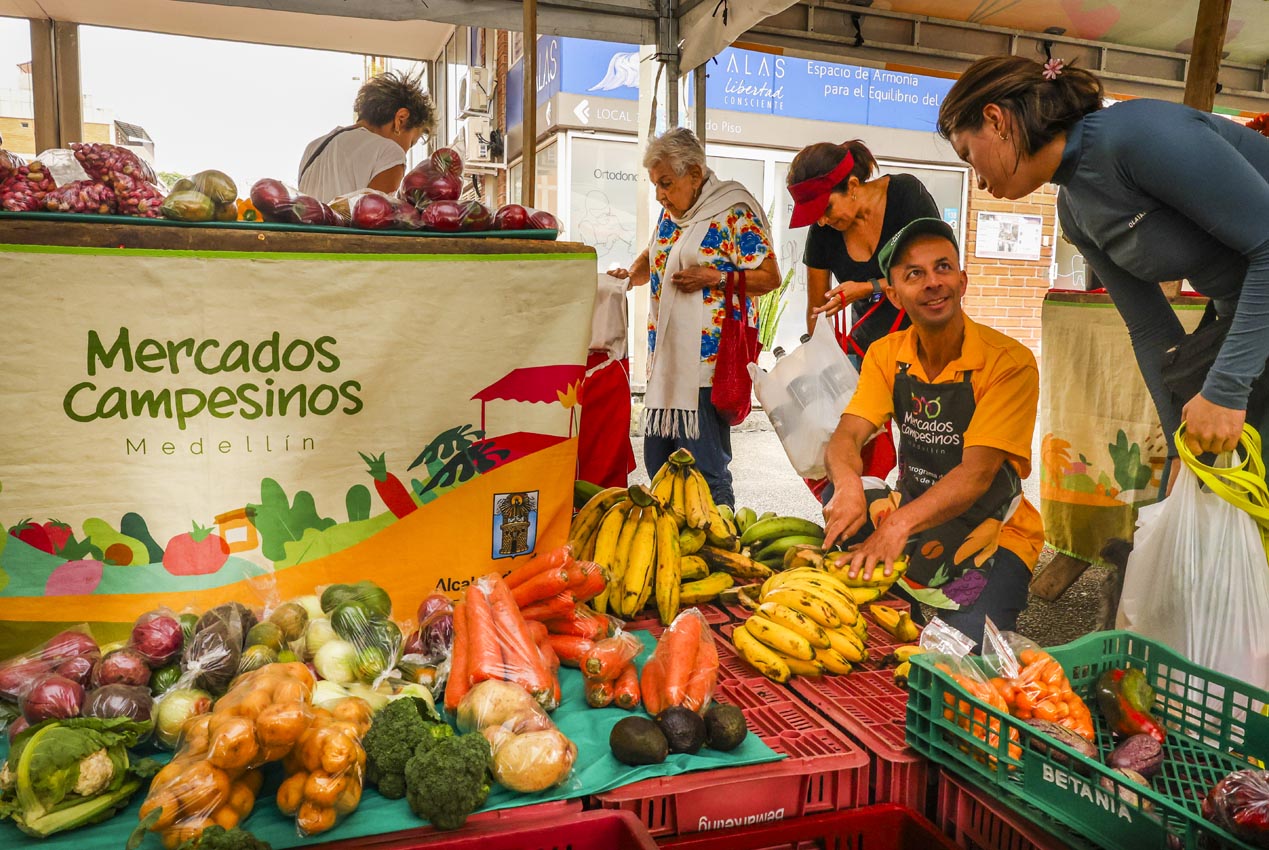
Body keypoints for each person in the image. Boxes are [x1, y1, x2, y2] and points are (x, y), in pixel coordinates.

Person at [937, 54, 1269, 474]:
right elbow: (1150, 329)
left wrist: (1225, 391)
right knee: (1217, 492)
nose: (979, 181)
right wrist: (1178, 453)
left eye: (969, 154)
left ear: (996, 119)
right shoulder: (1073, 210)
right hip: (1244, 319)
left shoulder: (1136, 134)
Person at [821, 218, 1044, 642]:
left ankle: (952, 614)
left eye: (943, 268)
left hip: (990, 532)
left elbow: (976, 476)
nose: (932, 283)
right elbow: (847, 436)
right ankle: (900, 601)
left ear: (963, 281)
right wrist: (847, 482)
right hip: (913, 513)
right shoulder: (886, 354)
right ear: (892, 294)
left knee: (958, 653)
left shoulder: (1009, 363)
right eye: (914, 274)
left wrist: (896, 526)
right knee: (841, 499)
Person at [607, 128, 781, 508]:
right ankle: (671, 543)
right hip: (667, 365)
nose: (660, 195)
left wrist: (714, 277)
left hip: (707, 368)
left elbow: (770, 277)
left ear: (696, 175)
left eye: (666, 183)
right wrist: (631, 276)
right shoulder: (673, 215)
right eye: (656, 185)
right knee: (662, 466)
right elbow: (655, 254)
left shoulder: (735, 211)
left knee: (705, 471)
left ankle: (721, 544)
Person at [787, 141, 942, 488]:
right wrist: (825, 369)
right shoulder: (823, 231)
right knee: (849, 458)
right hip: (865, 355)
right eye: (816, 217)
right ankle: (853, 526)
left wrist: (866, 287)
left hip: (925, 348)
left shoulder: (906, 195)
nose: (824, 221)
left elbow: (936, 273)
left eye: (826, 208)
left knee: (925, 455)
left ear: (853, 186)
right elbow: (817, 314)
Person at [298, 70, 435, 201]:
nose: (405, 152)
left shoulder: (313, 147)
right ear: (400, 119)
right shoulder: (389, 152)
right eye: (411, 143)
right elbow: (376, 216)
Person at [577, 271, 637, 489]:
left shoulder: (612, 366)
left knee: (603, 456)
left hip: (606, 372)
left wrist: (627, 278)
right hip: (597, 370)